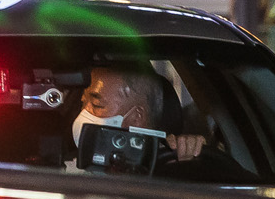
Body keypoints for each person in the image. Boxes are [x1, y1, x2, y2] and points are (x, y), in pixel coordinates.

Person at [71, 65, 206, 161]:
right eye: (83, 103)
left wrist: (188, 157)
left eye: (97, 105)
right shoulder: (66, 176)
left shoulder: (170, 170)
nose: (84, 113)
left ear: (137, 117)